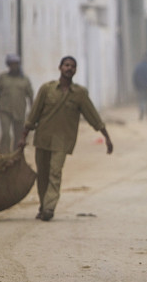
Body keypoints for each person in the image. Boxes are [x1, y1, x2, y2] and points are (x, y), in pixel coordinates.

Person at [19, 56, 113, 221]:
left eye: (72, 66)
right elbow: (33, 114)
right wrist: (23, 137)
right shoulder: (46, 89)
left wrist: (106, 137)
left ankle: (49, 208)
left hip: (63, 140)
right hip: (43, 138)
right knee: (43, 174)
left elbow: (93, 116)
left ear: (75, 70)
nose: (69, 68)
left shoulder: (79, 94)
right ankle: (43, 205)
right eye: (66, 65)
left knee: (55, 172)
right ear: (60, 67)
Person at [0, 53, 34, 154]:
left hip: (19, 111)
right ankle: (3, 155)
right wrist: (0, 105)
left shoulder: (24, 79)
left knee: (18, 135)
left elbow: (30, 96)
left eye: (16, 64)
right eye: (12, 64)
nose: (14, 66)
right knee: (6, 134)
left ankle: (16, 156)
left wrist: (33, 111)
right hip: (5, 111)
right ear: (8, 65)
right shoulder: (3, 77)